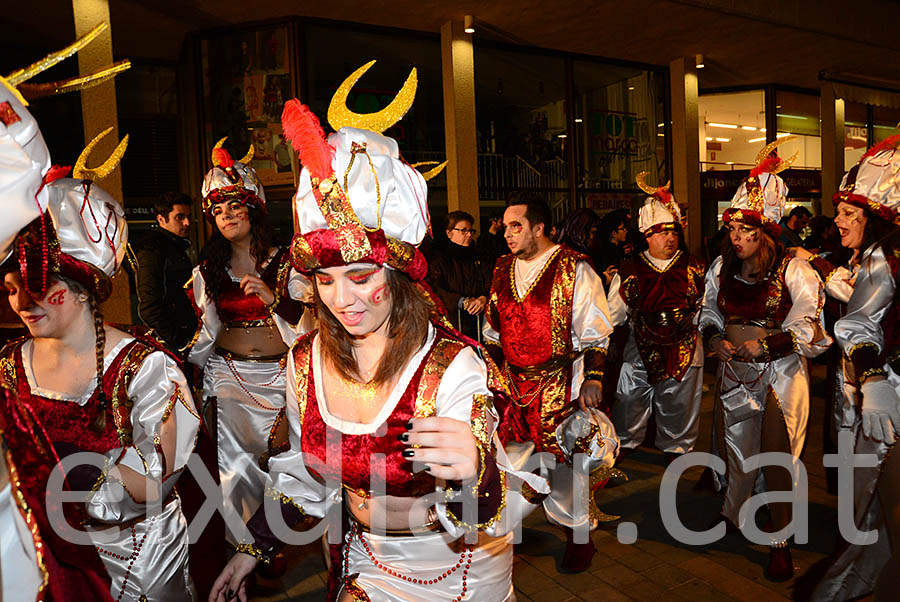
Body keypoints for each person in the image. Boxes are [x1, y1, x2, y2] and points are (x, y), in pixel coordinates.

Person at [210, 72, 547, 602]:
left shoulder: (452, 366)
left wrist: (477, 469)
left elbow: (504, 498)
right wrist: (251, 548)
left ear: (396, 276)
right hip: (361, 561)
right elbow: (309, 481)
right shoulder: (307, 361)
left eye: (361, 278)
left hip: (458, 572)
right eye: (325, 280)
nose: (341, 300)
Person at [0, 147, 200, 601]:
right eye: (12, 290)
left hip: (139, 557)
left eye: (38, 290)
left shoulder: (147, 367)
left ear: (86, 289)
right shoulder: (10, 364)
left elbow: (157, 470)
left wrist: (61, 491)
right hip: (47, 557)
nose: (21, 305)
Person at [699, 139, 830, 582]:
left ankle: (780, 539)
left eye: (747, 232)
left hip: (779, 376)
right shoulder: (720, 268)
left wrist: (767, 346)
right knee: (737, 451)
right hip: (734, 374)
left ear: (767, 234)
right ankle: (735, 514)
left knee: (777, 457)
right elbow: (709, 312)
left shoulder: (795, 271)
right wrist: (715, 338)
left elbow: (809, 326)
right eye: (733, 231)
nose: (736, 239)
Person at [483, 195, 619, 573]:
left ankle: (579, 536)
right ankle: (500, 533)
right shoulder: (501, 268)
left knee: (564, 469)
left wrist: (592, 377)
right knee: (506, 463)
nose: (507, 235)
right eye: (506, 227)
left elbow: (595, 330)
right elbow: (493, 331)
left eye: (516, 227)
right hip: (513, 388)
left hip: (560, 383)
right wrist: (491, 377)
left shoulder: (574, 268)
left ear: (538, 228)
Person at [185, 140, 310, 544]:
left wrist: (274, 300)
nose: (226, 217)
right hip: (228, 377)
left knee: (283, 462)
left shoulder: (288, 261)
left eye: (234, 207)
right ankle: (243, 546)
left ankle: (275, 536)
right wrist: (189, 374)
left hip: (280, 378)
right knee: (233, 466)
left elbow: (311, 325)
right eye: (218, 211)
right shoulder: (208, 268)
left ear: (253, 209)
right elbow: (207, 330)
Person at [811, 135, 900, 601]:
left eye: (850, 213)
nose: (839, 220)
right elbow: (859, 326)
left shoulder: (882, 257)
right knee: (870, 500)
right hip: (882, 400)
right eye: (840, 212)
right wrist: (874, 378)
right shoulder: (880, 259)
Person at [613, 175, 705, 463]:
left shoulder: (695, 267)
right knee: (628, 399)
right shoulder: (629, 269)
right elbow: (613, 313)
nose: (670, 238)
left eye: (674, 232)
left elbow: (706, 307)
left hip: (684, 345)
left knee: (679, 402)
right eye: (663, 232)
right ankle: (624, 445)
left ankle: (677, 451)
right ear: (648, 235)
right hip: (639, 345)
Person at [132, 192, 198, 351]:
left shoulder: (173, 246)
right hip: (172, 343)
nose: (187, 222)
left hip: (184, 334)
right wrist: (180, 342)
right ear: (161, 219)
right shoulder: (152, 249)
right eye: (180, 217)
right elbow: (149, 306)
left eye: (188, 216)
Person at [427, 210, 491, 339]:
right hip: (452, 324)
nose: (468, 235)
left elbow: (489, 282)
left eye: (470, 231)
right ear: (449, 233)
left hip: (478, 325)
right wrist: (461, 301)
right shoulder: (439, 259)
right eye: (463, 231)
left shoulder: (478, 257)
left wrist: (483, 298)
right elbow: (435, 289)